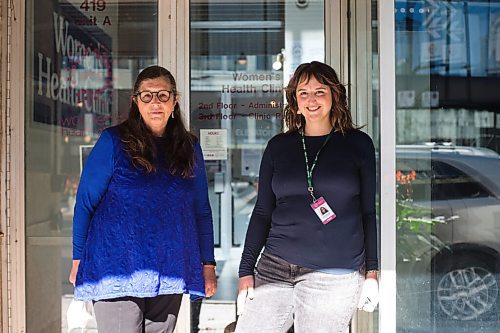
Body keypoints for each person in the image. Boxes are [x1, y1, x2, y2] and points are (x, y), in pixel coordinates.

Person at [68, 65, 217, 333]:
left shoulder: (189, 146)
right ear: (136, 102)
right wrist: (78, 258)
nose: (155, 103)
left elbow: (201, 209)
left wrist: (208, 263)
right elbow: (85, 203)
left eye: (162, 95)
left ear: (175, 100)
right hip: (116, 267)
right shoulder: (113, 142)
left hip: (169, 267)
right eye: (146, 96)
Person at [235, 61, 379, 333]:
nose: (311, 100)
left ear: (335, 95)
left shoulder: (358, 145)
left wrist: (372, 273)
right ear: (295, 101)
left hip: (334, 273)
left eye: (319, 91)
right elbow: (263, 211)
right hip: (274, 267)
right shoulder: (278, 147)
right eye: (303, 93)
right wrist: (245, 271)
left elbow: (368, 213)